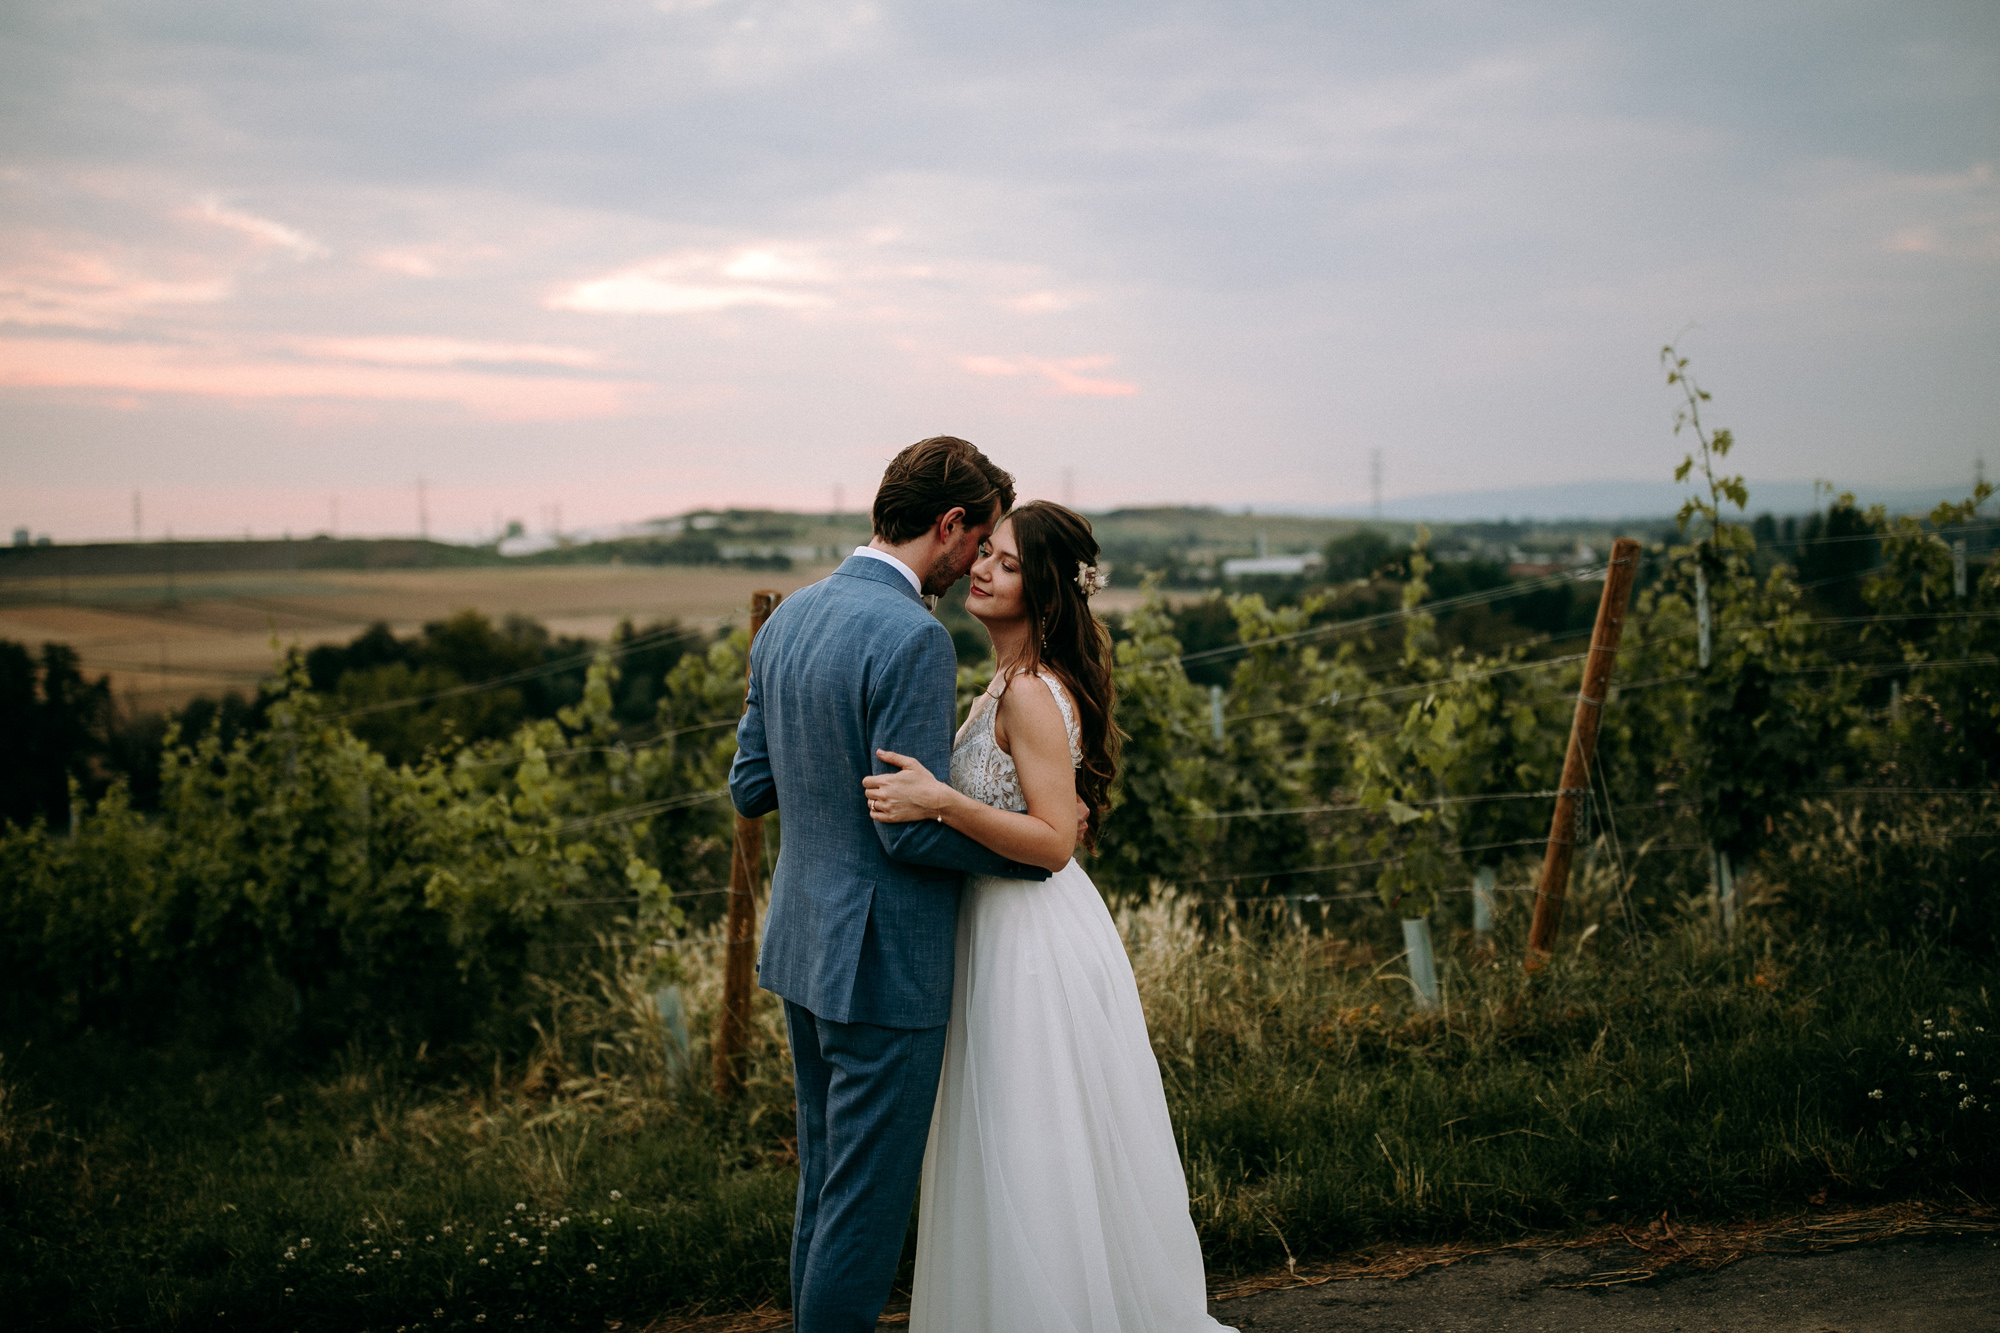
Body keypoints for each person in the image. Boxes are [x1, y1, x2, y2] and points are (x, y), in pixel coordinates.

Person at [864, 501, 1236, 1333]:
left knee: (1031, 1144)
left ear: (1045, 590)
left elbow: (1054, 840)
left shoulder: (1030, 692)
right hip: (999, 927)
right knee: (1010, 1141)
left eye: (1005, 562)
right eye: (983, 554)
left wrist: (940, 801)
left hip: (1029, 938)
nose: (982, 569)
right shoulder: (1005, 680)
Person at [728, 436, 1058, 1333]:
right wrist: (1025, 858)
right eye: (980, 539)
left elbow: (749, 786)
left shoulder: (788, 618)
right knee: (865, 1212)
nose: (978, 561)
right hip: (884, 963)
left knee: (825, 1187)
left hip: (802, 945)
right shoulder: (914, 636)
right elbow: (908, 836)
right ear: (950, 525)